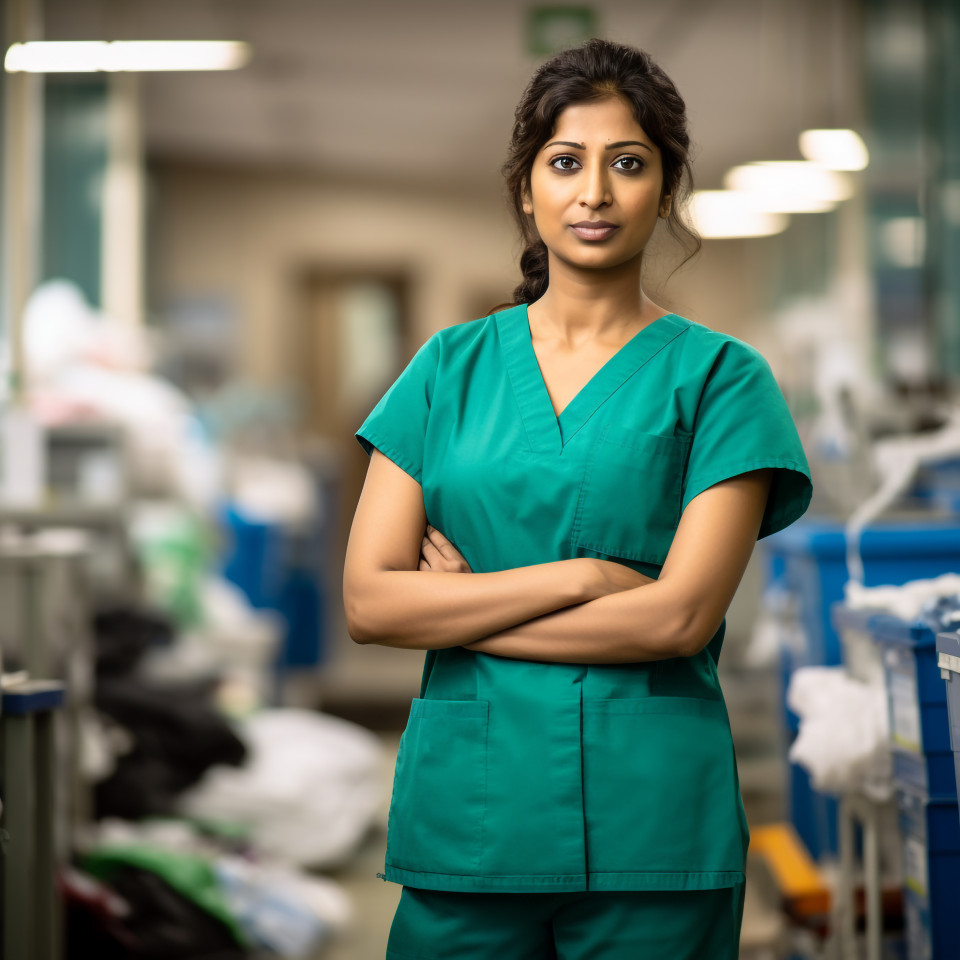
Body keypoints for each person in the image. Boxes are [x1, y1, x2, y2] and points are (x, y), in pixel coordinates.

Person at [343, 37, 813, 960]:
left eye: (627, 164)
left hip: (655, 832)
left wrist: (452, 611)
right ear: (528, 189)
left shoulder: (722, 379)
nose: (594, 192)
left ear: (665, 189)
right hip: (471, 821)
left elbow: (677, 620)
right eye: (566, 163)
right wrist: (589, 578)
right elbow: (368, 602)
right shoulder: (446, 370)